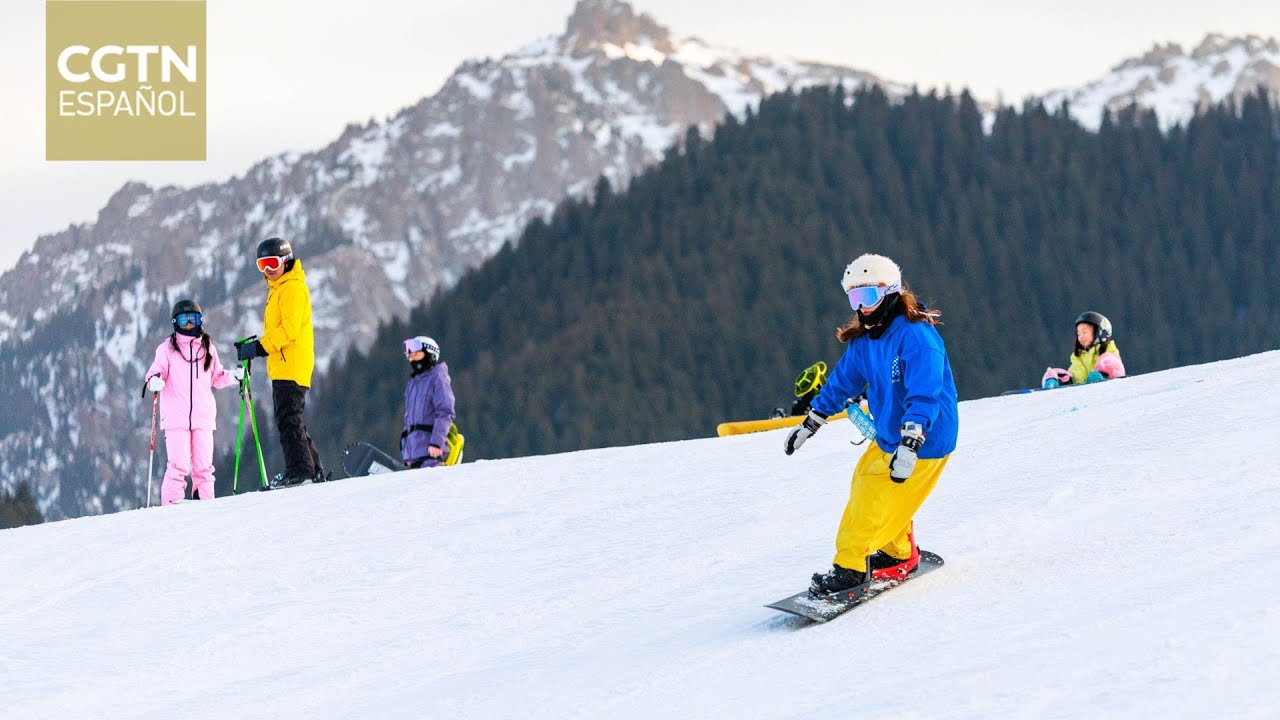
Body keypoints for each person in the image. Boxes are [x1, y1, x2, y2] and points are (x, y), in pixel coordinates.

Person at [783, 253, 959, 596]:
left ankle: (850, 568)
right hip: (891, 435)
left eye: (869, 297)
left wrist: (912, 443)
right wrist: (812, 421)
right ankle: (898, 553)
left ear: (891, 293)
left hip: (928, 439)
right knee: (867, 479)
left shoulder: (917, 338)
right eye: (854, 298)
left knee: (871, 496)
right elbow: (842, 381)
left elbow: (925, 393)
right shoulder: (866, 341)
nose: (862, 308)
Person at [236, 237, 328, 487]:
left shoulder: (291, 288)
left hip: (291, 365)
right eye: (262, 265)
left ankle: (300, 471)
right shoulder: (280, 288)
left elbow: (289, 331)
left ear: (286, 262)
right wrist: (256, 346)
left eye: (272, 263)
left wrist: (258, 347)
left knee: (288, 418)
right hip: (285, 365)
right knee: (292, 417)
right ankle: (313, 469)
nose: (267, 270)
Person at [143, 300, 239, 505]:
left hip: (203, 418)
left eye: (192, 319)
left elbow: (217, 376)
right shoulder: (167, 349)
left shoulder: (208, 348)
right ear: (175, 322)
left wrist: (234, 377)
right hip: (176, 418)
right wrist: (155, 381)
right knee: (178, 466)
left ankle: (206, 506)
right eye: (183, 320)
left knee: (204, 468)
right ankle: (171, 507)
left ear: (200, 321)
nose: (188, 325)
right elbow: (154, 373)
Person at [401, 335, 458, 469]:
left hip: (432, 453)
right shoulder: (412, 385)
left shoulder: (438, 379)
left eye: (416, 355)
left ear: (430, 355)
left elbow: (445, 412)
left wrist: (437, 443)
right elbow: (408, 420)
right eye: (410, 356)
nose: (412, 360)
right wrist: (406, 453)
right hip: (414, 456)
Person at [1041, 311, 1126, 389]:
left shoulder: (1109, 349)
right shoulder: (1078, 357)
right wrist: (1067, 379)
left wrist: (1101, 374)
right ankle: (1052, 383)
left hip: (1108, 381)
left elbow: (1115, 366)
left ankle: (1102, 376)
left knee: (1107, 359)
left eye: (1084, 332)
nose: (1081, 336)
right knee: (1058, 373)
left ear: (1099, 332)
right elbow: (1075, 373)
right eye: (1079, 334)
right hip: (1084, 386)